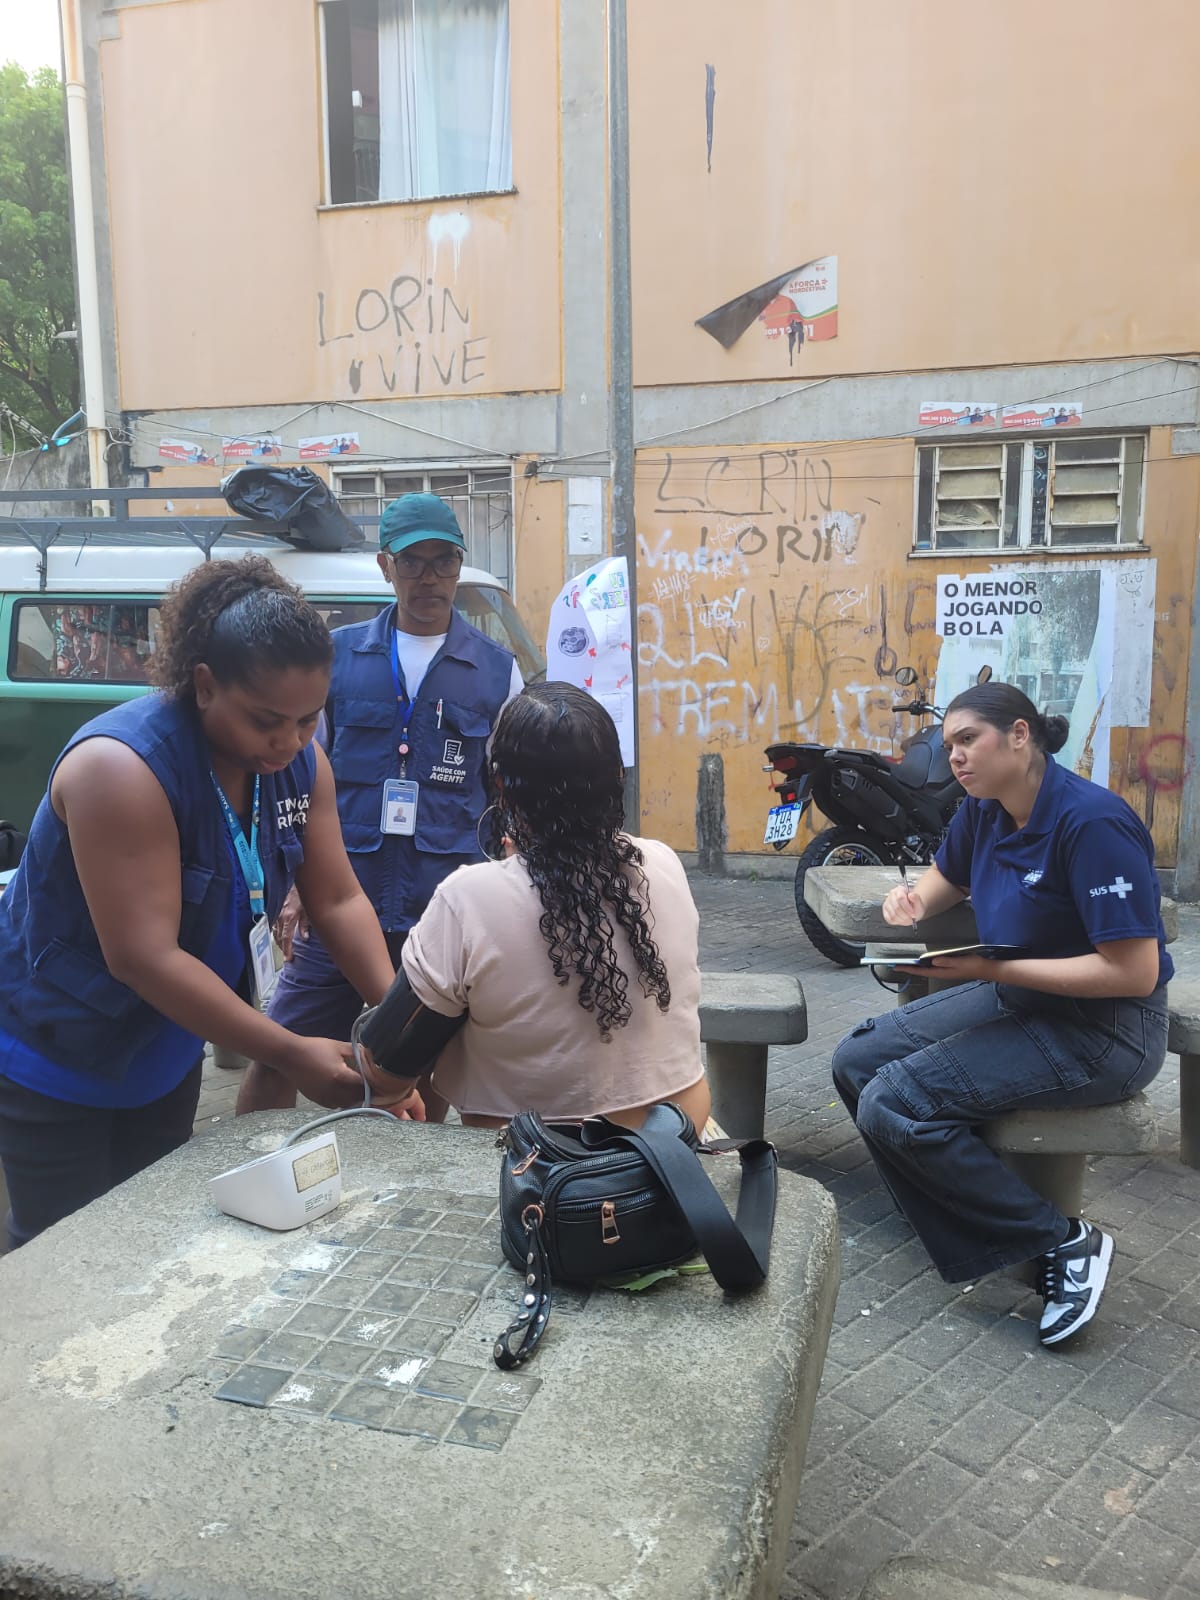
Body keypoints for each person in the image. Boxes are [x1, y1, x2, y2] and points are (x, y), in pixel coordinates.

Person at [0, 557, 408, 1251]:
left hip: (163, 1053)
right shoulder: (120, 770)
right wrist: (292, 1052)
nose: (289, 742)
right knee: (65, 1254)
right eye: (266, 721)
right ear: (204, 685)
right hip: (57, 1060)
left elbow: (337, 899)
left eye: (310, 719)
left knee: (151, 1242)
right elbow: (144, 957)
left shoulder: (300, 766)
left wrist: (397, 1038)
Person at [831, 681, 1172, 1349]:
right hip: (1024, 999)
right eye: (949, 743)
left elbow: (1132, 971)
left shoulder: (1091, 823)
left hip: (1105, 1030)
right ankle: (956, 1204)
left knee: (895, 1105)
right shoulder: (983, 810)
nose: (954, 756)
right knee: (857, 1060)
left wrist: (992, 969)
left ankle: (1062, 1242)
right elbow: (948, 876)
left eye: (968, 740)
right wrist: (913, 902)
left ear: (1019, 735)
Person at [237, 492, 522, 1115]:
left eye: (443, 562)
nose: (429, 578)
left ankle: (402, 1190)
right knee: (277, 1048)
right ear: (384, 566)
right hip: (342, 899)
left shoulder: (499, 674)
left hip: (443, 908)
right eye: (412, 562)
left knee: (426, 1068)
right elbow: (295, 777)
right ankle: (255, 1171)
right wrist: (291, 887)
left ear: (459, 565)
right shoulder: (335, 658)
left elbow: (507, 798)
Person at [361, 682, 711, 1131]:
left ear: (502, 786)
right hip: (673, 1145)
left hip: (533, 1171)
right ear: (615, 780)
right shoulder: (661, 863)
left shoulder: (468, 899)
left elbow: (383, 1070)